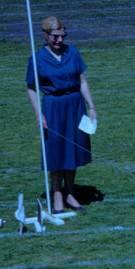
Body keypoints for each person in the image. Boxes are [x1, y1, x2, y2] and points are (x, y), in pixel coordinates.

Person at [25, 16, 98, 213]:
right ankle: (57, 193)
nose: (59, 40)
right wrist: (38, 113)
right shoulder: (37, 58)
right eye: (55, 37)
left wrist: (91, 106)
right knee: (56, 151)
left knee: (72, 150)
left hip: (74, 105)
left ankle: (71, 193)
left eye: (62, 36)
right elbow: (31, 88)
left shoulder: (72, 52)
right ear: (45, 35)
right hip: (53, 106)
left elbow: (82, 81)